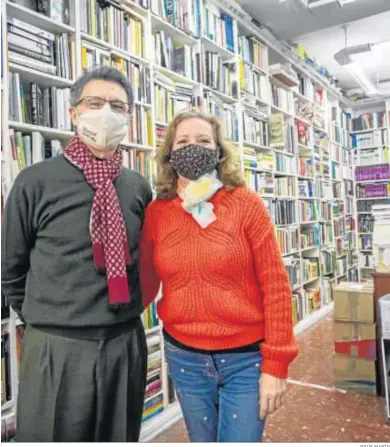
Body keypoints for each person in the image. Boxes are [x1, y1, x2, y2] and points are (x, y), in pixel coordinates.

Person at [1, 66, 152, 442]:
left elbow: (145, 262)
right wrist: (50, 317)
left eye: (118, 106)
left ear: (129, 119)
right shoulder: (34, 181)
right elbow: (11, 268)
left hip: (123, 342)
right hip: (55, 346)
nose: (107, 112)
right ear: (73, 112)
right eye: (95, 102)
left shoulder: (136, 186)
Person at [140, 110, 299, 442]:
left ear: (218, 151)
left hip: (245, 360)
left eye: (203, 141)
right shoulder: (157, 213)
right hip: (184, 358)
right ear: (169, 153)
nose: (192, 148)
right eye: (182, 141)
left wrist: (276, 364)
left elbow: (276, 285)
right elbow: (144, 281)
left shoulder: (245, 204)